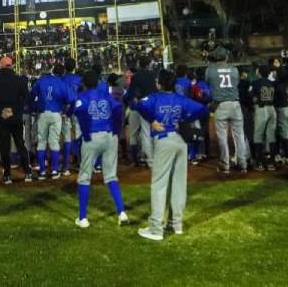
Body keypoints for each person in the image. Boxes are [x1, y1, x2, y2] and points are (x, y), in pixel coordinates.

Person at [131, 69, 207, 241]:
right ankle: (176, 224)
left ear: (159, 84)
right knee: (179, 184)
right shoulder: (181, 99)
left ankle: (156, 228)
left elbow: (138, 105)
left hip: (164, 140)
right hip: (181, 141)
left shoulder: (154, 98)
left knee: (159, 184)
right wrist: (184, 120)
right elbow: (202, 109)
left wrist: (152, 119)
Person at [72, 70, 129, 228]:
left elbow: (81, 115)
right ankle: (122, 212)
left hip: (92, 136)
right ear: (97, 83)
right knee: (111, 176)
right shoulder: (106, 95)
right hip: (109, 136)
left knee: (84, 177)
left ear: (83, 84)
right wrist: (116, 130)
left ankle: (83, 218)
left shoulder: (82, 96)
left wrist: (85, 134)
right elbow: (118, 110)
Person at [0, 56, 34, 184]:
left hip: (0, 117)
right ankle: (28, 172)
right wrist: (14, 110)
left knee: (4, 146)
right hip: (16, 116)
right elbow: (26, 98)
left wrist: (1, 110)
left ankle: (7, 175)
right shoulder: (19, 80)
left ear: (0, 66)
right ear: (11, 66)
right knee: (20, 143)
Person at [206, 50, 248, 172]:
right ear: (226, 57)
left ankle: (226, 165)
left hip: (220, 105)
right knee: (239, 135)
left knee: (222, 137)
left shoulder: (210, 70)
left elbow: (209, 83)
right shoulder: (234, 69)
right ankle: (243, 164)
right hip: (235, 103)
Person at [32, 63, 74, 179]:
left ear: (53, 69)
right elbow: (73, 100)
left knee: (42, 141)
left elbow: (31, 96)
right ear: (63, 73)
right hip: (56, 114)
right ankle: (55, 170)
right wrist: (68, 114)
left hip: (42, 114)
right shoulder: (62, 83)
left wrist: (33, 108)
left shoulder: (42, 80)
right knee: (54, 141)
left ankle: (42, 171)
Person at [125, 57, 157, 167]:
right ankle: (157, 157)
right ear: (149, 64)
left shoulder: (136, 76)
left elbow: (132, 94)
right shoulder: (154, 75)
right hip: (155, 105)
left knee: (146, 133)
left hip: (143, 105)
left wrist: (138, 104)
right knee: (157, 131)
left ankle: (150, 160)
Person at [250, 64, 277, 170]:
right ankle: (272, 162)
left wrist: (253, 99)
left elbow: (250, 95)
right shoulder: (271, 83)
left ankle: (259, 162)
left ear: (259, 72)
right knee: (271, 136)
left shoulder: (256, 83)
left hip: (261, 109)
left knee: (258, 136)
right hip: (272, 109)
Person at [59, 58, 83, 175]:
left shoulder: (62, 79)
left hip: (64, 110)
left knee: (66, 138)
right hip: (76, 110)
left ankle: (65, 167)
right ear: (74, 67)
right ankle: (82, 163)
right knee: (78, 136)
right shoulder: (79, 79)